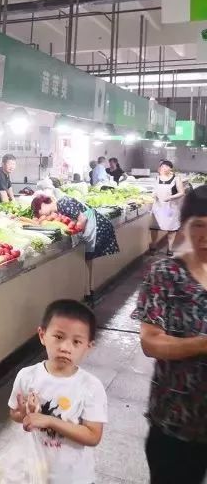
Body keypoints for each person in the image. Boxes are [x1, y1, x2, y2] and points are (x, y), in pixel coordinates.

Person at [132, 186, 207, 484]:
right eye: (198, 225)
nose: (205, 236)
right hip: (176, 422)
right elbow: (151, 341)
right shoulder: (166, 273)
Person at [8, 300, 107, 484]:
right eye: (59, 337)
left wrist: (50, 421)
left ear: (88, 346)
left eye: (76, 341)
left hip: (74, 478)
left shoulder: (91, 386)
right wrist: (22, 414)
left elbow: (93, 436)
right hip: (34, 473)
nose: (65, 347)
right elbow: (15, 414)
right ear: (42, 335)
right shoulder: (27, 376)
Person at [31, 194, 119, 260]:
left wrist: (76, 234)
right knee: (91, 260)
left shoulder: (62, 203)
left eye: (37, 211)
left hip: (98, 228)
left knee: (95, 260)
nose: (39, 215)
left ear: (42, 204)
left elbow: (83, 219)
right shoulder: (60, 207)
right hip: (96, 227)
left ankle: (92, 284)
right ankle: (91, 284)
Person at [151, 160, 186, 257]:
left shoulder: (176, 178)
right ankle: (153, 245)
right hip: (158, 206)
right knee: (154, 227)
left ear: (170, 168)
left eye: (167, 167)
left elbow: (182, 192)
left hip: (170, 207)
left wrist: (169, 197)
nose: (164, 168)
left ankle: (170, 248)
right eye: (163, 166)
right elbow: (155, 190)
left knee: (171, 228)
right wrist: (153, 195)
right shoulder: (157, 178)